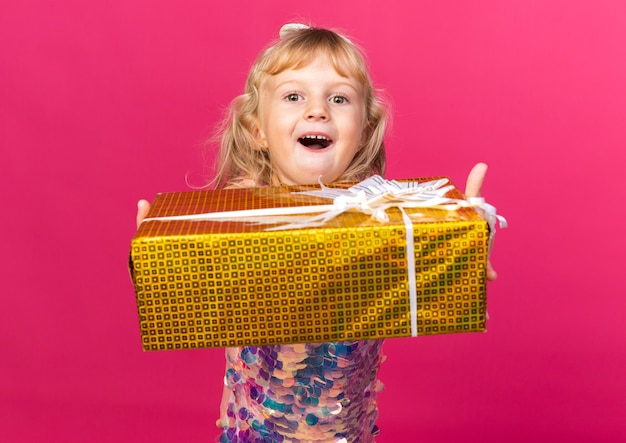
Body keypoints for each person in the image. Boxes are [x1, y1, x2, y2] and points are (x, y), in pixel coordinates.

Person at [136, 23, 497, 443]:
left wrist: (464, 253)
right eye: (294, 96)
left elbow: (432, 291)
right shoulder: (231, 227)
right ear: (257, 131)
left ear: (362, 132)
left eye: (339, 98)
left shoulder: (380, 224)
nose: (317, 110)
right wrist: (155, 264)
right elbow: (191, 305)